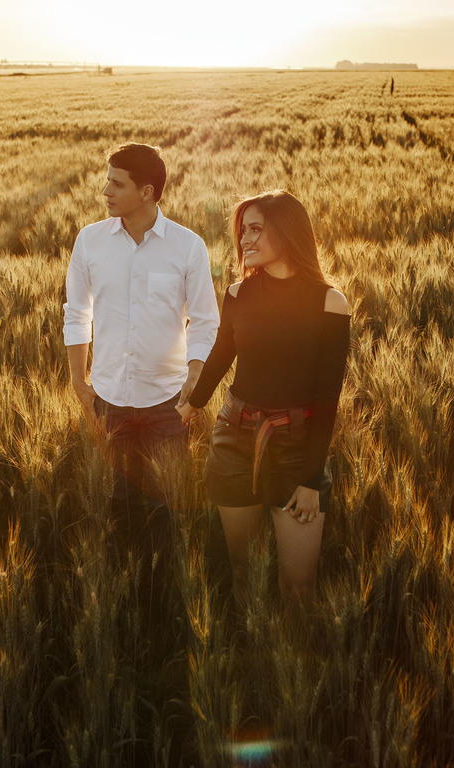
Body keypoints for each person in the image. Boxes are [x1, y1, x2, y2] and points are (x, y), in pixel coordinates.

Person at [176, 190, 349, 613]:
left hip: (297, 449)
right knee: (243, 571)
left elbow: (327, 400)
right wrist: (190, 406)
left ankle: (291, 671)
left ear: (287, 231)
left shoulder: (330, 302)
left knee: (298, 589)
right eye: (242, 230)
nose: (244, 239)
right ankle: (251, 661)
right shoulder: (239, 294)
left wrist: (311, 480)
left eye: (256, 229)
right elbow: (220, 356)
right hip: (233, 437)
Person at [63, 142, 220, 564]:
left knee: (166, 510)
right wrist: (79, 382)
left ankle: (162, 594)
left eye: (116, 183)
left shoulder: (188, 247)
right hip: (109, 401)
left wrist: (193, 379)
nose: (105, 191)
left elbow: (205, 320)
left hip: (167, 405)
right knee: (118, 510)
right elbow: (77, 313)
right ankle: (125, 588)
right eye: (106, 180)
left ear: (147, 191)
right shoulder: (90, 241)